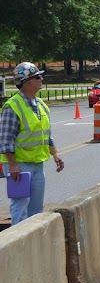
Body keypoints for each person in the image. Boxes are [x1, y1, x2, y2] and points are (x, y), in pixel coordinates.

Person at [1, 62, 65, 225]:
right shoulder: (12, 106)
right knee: (20, 207)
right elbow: (5, 139)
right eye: (37, 77)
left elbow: (46, 133)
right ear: (26, 81)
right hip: (19, 166)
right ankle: (19, 245)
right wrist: (12, 164)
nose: (41, 79)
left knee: (36, 210)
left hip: (37, 164)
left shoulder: (41, 104)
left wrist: (55, 153)